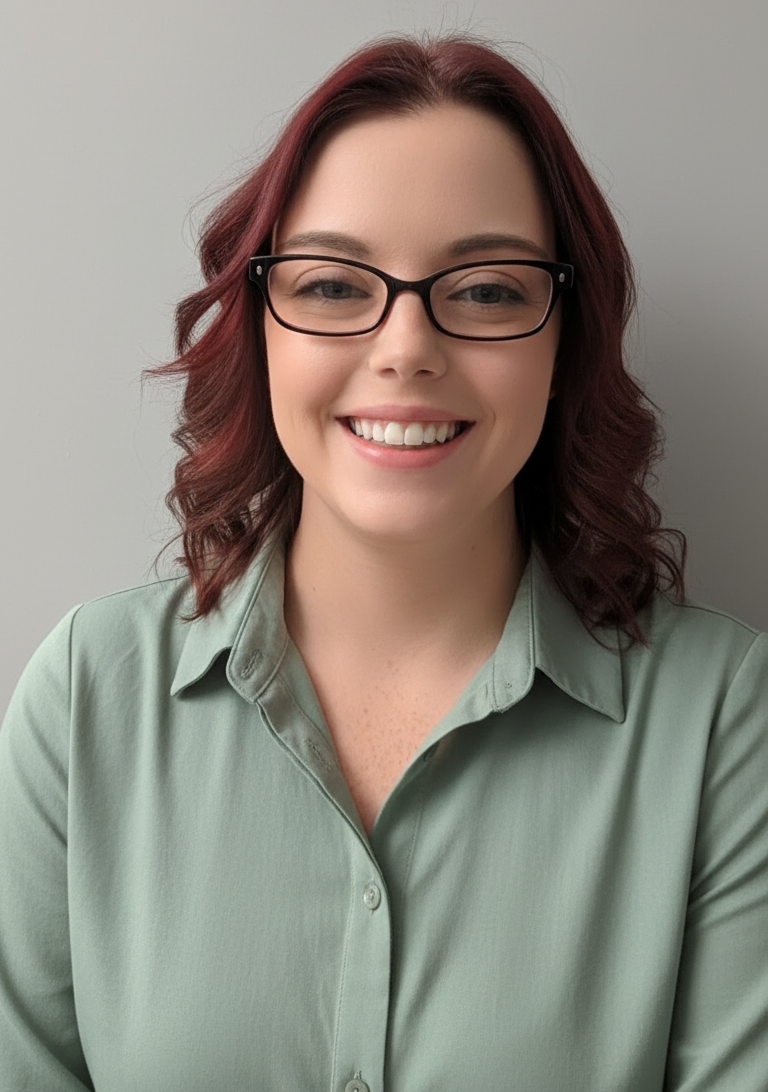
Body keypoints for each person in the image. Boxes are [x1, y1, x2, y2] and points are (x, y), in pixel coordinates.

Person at [1, 33, 766, 1092]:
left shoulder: (722, 719)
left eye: (488, 290)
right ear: (260, 328)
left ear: (562, 343)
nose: (406, 347)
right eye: (330, 285)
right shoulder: (88, 698)